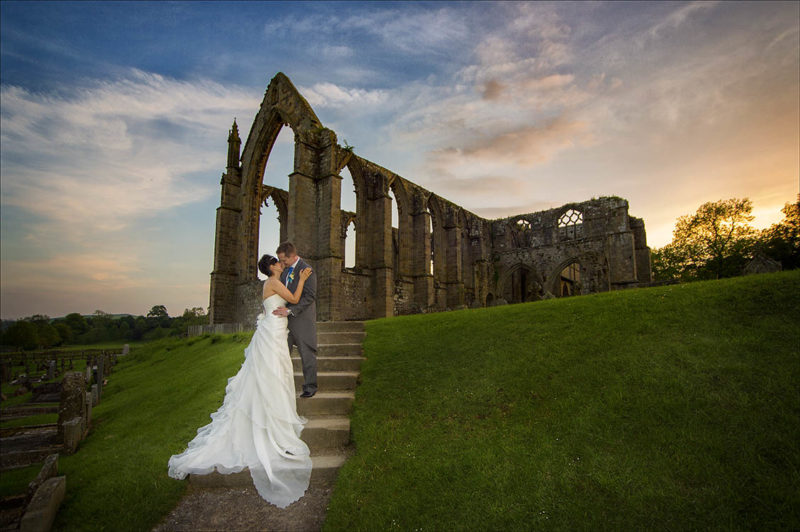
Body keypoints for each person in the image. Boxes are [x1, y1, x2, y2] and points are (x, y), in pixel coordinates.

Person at [167, 254, 313, 508]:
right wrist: (301, 280)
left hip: (274, 330)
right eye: (277, 262)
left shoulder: (271, 283)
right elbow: (294, 299)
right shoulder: (273, 282)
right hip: (273, 332)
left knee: (274, 373)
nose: (281, 264)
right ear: (271, 267)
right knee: (272, 373)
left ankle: (274, 412)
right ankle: (271, 416)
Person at [272, 242, 318, 398]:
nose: (281, 263)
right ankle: (280, 387)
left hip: (302, 321)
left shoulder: (307, 270)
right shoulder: (285, 271)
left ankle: (310, 387)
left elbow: (310, 297)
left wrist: (291, 310)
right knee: (282, 354)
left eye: (283, 260)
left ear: (292, 256)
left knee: (307, 353)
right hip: (284, 322)